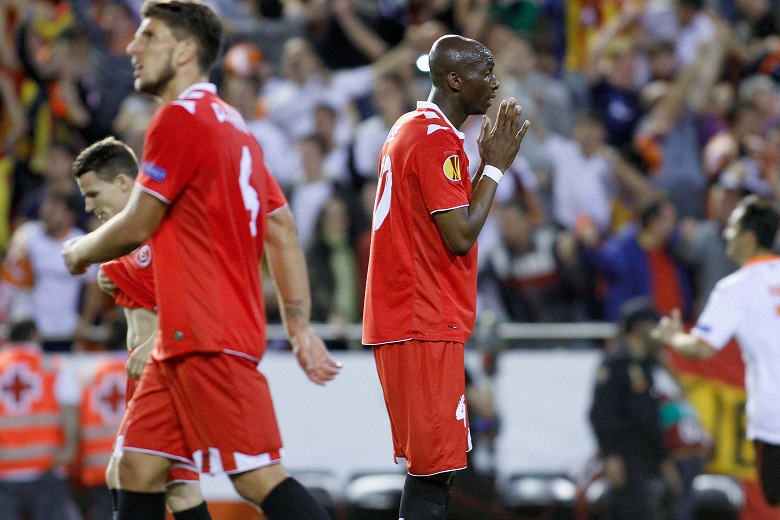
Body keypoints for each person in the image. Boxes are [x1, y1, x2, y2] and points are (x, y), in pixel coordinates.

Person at [62, 2, 340, 519]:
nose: (133, 46)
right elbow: (280, 226)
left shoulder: (178, 119)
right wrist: (298, 326)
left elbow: (139, 222)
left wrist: (81, 250)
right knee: (135, 469)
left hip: (208, 333)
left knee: (257, 477)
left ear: (185, 51)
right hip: (184, 340)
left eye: (149, 36)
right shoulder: (235, 128)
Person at [362, 34, 529, 519]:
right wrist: (494, 169)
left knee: (433, 470)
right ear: (455, 80)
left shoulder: (411, 128)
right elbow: (459, 235)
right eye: (485, 72)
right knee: (434, 473)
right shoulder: (435, 139)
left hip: (411, 317)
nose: (494, 83)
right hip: (422, 319)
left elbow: (440, 223)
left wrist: (482, 168)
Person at [653, 195, 780, 507]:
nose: (726, 233)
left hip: (773, 419)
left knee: (774, 496)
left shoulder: (736, 288)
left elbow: (701, 348)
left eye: (733, 227)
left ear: (748, 237)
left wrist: (672, 338)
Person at [589, 297, 683, 520]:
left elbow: (650, 418)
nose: (658, 333)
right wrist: (611, 455)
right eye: (654, 326)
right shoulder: (614, 365)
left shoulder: (646, 365)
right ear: (639, 329)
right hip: (625, 457)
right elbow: (601, 414)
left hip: (647, 457)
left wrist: (663, 459)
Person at [0, 319, 82, 520]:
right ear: (35, 336)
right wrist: (69, 449)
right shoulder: (52, 366)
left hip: (4, 472)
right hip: (46, 468)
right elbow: (70, 409)